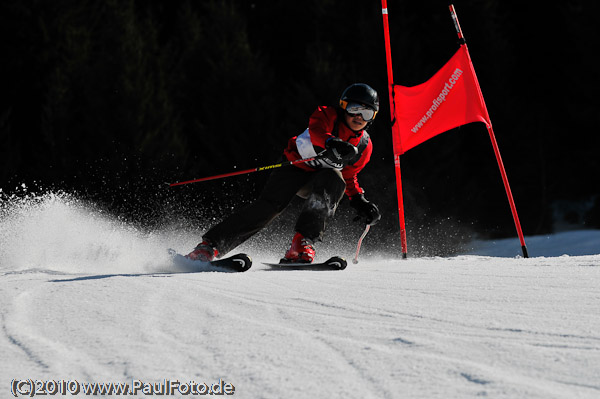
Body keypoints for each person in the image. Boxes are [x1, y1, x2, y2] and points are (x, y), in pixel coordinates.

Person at [186, 83, 382, 263]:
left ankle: (301, 244)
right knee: (269, 208)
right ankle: (209, 246)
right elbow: (317, 131)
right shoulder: (327, 115)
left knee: (334, 178)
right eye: (354, 109)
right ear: (343, 108)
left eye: (366, 113)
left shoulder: (364, 145)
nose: (359, 117)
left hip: (320, 179)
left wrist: (359, 201)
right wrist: (331, 142)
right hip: (294, 168)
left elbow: (349, 176)